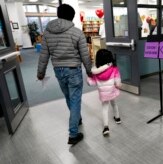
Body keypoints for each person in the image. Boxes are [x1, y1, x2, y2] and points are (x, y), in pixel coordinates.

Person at [37, 4, 92, 145]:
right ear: (72, 16)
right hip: (73, 70)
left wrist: (40, 73)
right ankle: (73, 134)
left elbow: (44, 55)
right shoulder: (77, 32)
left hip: (58, 70)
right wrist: (89, 70)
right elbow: (85, 54)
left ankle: (77, 118)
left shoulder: (48, 33)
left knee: (69, 97)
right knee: (75, 99)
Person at [87, 49, 121, 136]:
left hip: (104, 94)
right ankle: (117, 118)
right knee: (114, 104)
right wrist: (118, 85)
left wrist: (88, 80)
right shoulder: (114, 69)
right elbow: (117, 82)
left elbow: (92, 83)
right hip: (112, 91)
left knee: (105, 108)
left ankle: (106, 127)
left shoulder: (96, 72)